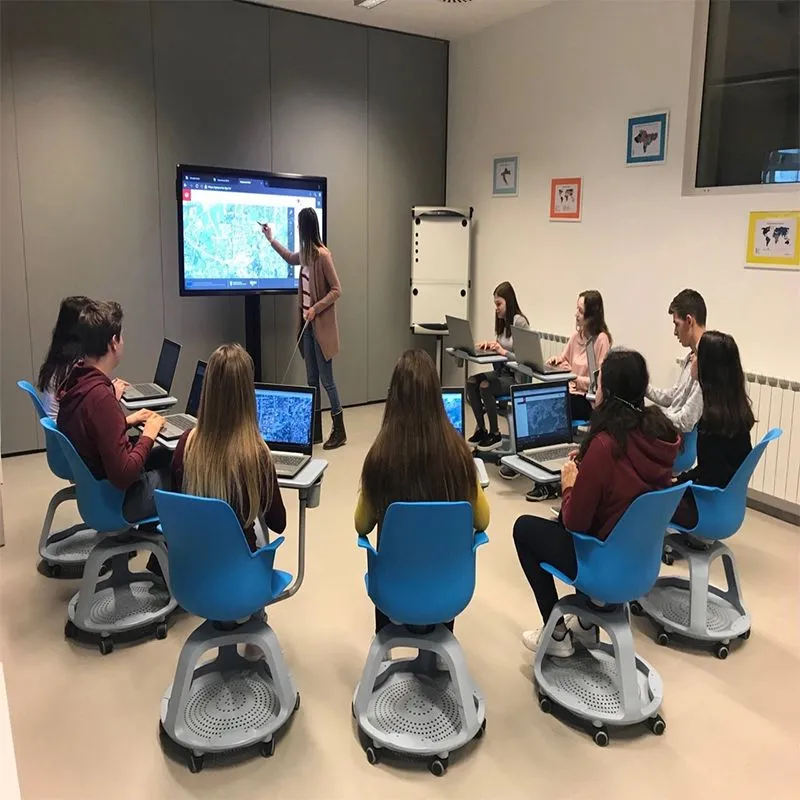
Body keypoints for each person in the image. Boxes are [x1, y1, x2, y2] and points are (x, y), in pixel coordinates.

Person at [513, 349, 679, 657]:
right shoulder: (660, 439)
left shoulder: (605, 446)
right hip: (641, 564)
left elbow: (574, 522)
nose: (595, 388)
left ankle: (556, 633)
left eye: (599, 382)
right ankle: (586, 625)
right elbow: (625, 486)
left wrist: (569, 486)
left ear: (610, 392)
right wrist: (588, 463)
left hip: (603, 564)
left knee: (525, 529)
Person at [355, 349, 490, 634]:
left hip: (393, 589)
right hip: (450, 589)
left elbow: (361, 524)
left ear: (393, 397)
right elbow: (482, 520)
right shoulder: (460, 456)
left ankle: (385, 643)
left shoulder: (379, 457)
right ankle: (441, 646)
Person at [57, 300, 169, 522]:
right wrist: (149, 434)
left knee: (168, 455)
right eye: (122, 337)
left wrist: (124, 422)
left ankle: (154, 540)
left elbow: (90, 431)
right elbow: (124, 475)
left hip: (98, 490)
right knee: (183, 469)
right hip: (119, 500)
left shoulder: (77, 380)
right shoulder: (101, 399)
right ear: (114, 343)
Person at [171, 343, 286, 550]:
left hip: (193, 564)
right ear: (248, 393)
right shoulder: (257, 454)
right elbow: (278, 523)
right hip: (241, 566)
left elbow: (178, 505)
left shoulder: (186, 444)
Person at [261, 209, 346, 450]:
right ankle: (314, 431)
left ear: (306, 228)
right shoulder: (307, 255)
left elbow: (337, 289)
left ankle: (339, 430)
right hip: (307, 327)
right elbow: (289, 257)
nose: (297, 229)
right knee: (311, 380)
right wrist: (271, 239)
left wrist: (315, 308)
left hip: (320, 327)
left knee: (327, 380)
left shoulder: (322, 256)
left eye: (299, 225)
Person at [525, 290, 612, 502]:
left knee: (549, 415)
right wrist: (556, 361)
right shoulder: (575, 337)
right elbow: (563, 359)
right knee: (541, 407)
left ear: (591, 315)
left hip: (586, 400)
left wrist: (573, 377)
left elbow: (599, 382)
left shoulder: (601, 340)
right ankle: (534, 464)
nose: (576, 314)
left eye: (580, 311)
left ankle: (549, 483)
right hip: (570, 394)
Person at [672, 331, 754, 529]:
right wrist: (680, 479)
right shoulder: (735, 412)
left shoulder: (712, 421)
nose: (692, 359)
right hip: (726, 507)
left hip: (706, 508)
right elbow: (711, 470)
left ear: (708, 366)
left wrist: (675, 485)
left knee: (643, 499)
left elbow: (708, 478)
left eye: (697, 355)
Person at [466, 281, 529, 452]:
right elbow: (502, 346)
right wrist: (491, 345)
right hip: (501, 373)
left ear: (509, 302)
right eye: (495, 304)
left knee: (485, 386)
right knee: (471, 382)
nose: (496, 308)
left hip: (515, 378)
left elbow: (525, 358)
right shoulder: (502, 323)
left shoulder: (519, 322)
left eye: (499, 304)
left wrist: (502, 352)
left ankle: (495, 434)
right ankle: (481, 429)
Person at [646, 289, 706, 433]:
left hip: (681, 439)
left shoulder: (705, 361)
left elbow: (686, 421)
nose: (674, 332)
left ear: (689, 321)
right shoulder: (692, 356)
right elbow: (675, 396)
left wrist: (650, 417)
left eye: (676, 324)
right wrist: (643, 387)